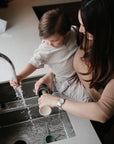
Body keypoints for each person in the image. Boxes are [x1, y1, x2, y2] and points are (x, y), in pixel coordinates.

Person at [35, 0, 114, 143]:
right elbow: (68, 55)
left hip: (95, 114)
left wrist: (58, 102)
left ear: (106, 29)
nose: (81, 30)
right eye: (81, 23)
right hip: (80, 97)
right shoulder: (87, 36)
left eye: (86, 27)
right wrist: (51, 74)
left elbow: (103, 112)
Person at [10, 8, 91, 102]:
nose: (49, 43)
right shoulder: (45, 49)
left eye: (54, 40)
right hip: (67, 82)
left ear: (66, 34)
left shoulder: (73, 32)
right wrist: (20, 76)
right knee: (88, 98)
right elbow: (33, 63)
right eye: (45, 39)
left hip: (78, 73)